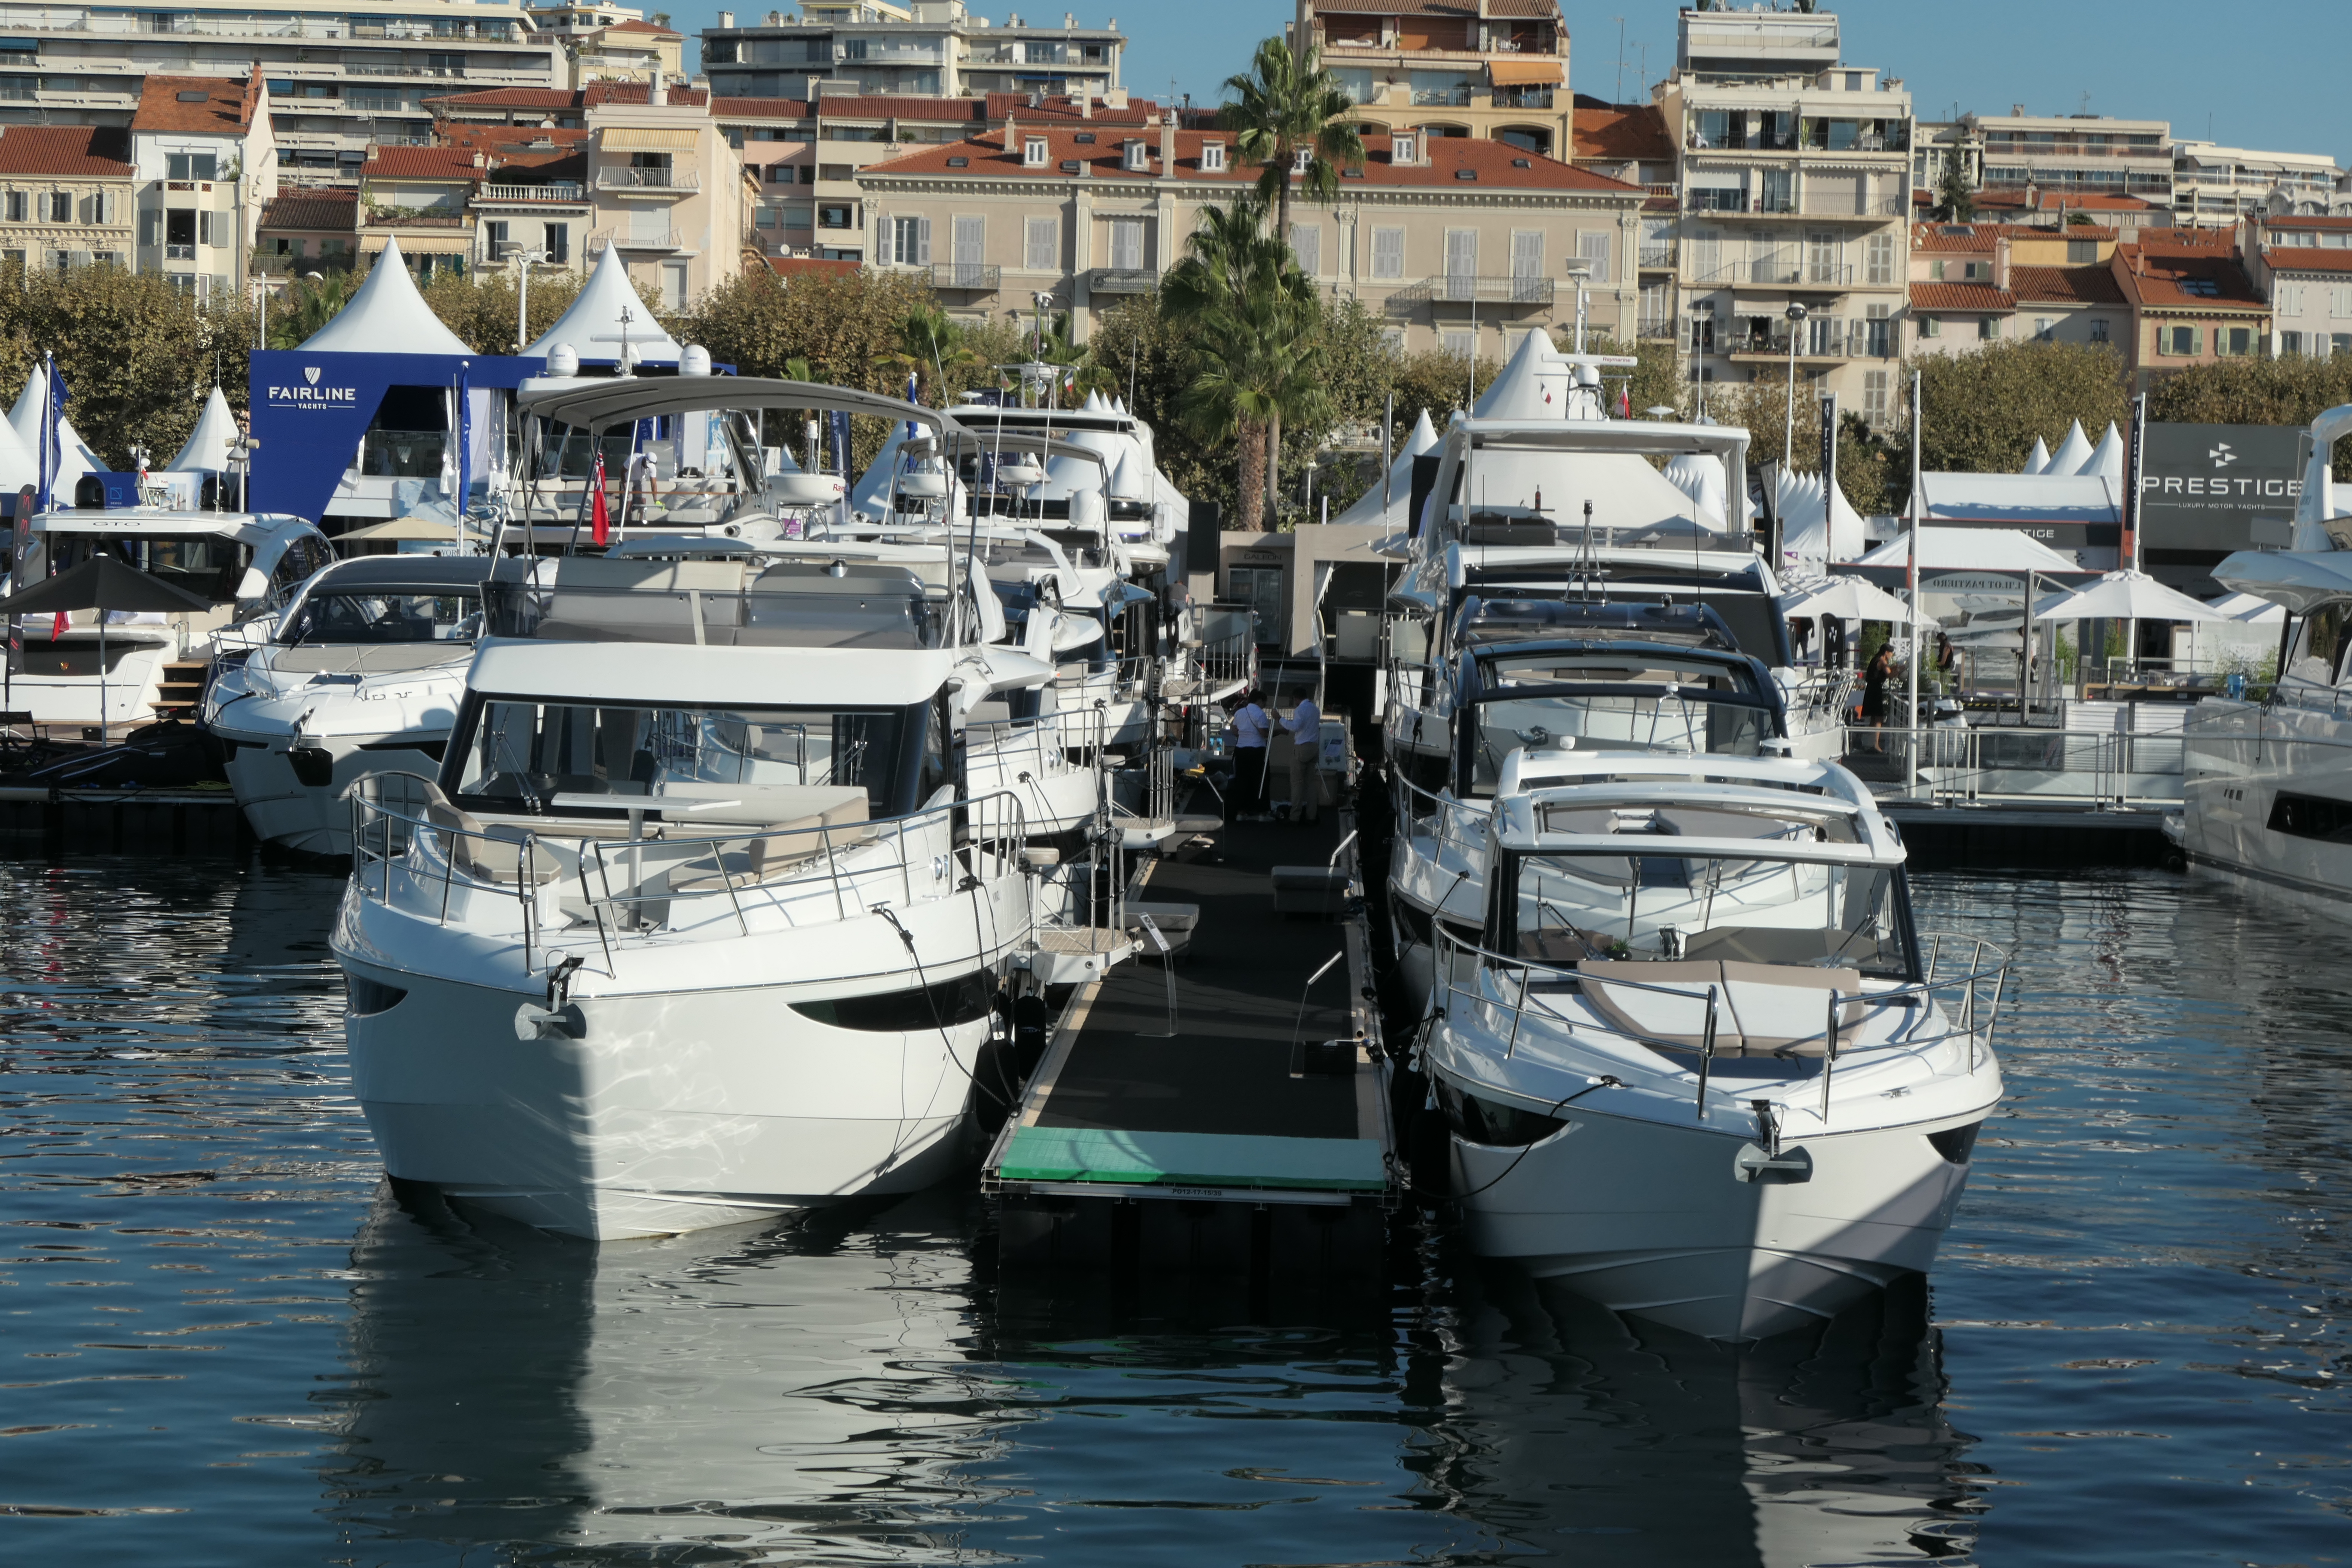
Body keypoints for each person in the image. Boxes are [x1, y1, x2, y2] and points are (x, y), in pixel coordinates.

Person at [1229, 689, 1271, 822]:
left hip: (1241, 750)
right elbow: (1264, 733)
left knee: (1242, 780)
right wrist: (1279, 732)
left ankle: (1241, 812)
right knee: (1261, 781)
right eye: (1264, 702)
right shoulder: (1260, 714)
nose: (1264, 705)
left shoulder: (1239, 713)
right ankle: (1261, 812)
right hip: (1257, 750)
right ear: (1260, 701)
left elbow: (1235, 731)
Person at [1282, 691, 1323, 824]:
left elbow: (1295, 727)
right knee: (1311, 784)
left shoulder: (1300, 710)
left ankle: (1295, 816)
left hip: (1302, 747)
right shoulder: (1316, 710)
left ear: (1295, 698)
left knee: (1297, 783)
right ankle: (1312, 815)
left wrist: (1279, 719)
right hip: (1314, 747)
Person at [1861, 642, 1896, 750]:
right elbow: (1890, 675)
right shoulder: (1882, 661)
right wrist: (1899, 670)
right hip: (1875, 689)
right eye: (1891, 653)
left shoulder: (1876, 659)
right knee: (1879, 717)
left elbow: (1888, 671)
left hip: (1871, 688)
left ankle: (1868, 743)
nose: (1892, 656)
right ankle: (1875, 743)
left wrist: (1895, 668)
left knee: (1873, 717)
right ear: (1886, 653)